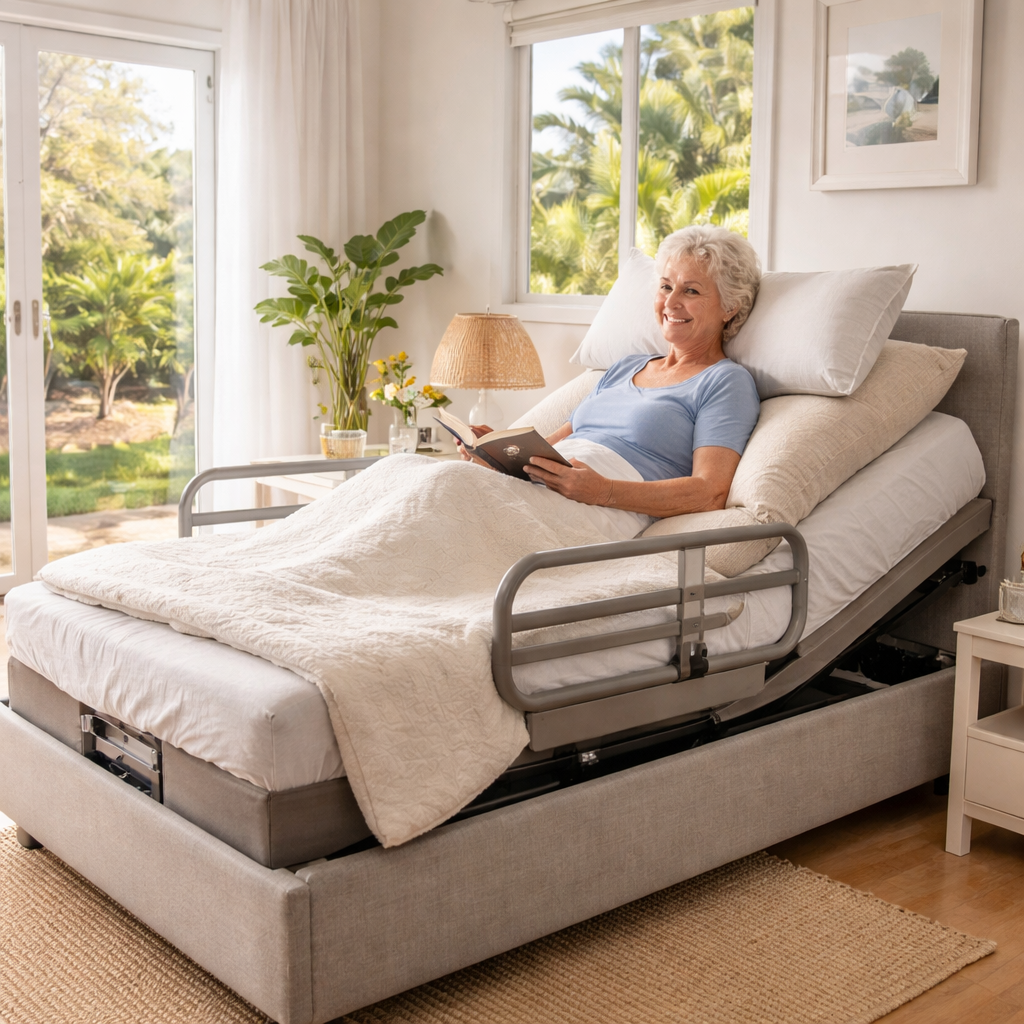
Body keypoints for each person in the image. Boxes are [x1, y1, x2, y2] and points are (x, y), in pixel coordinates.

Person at [458, 225, 761, 525]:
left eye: (690, 290)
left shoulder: (725, 382)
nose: (670, 303)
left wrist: (604, 491)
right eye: (666, 287)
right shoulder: (625, 367)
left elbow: (709, 493)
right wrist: (495, 455)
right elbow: (548, 451)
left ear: (730, 307)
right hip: (547, 489)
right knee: (431, 478)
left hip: (600, 509)